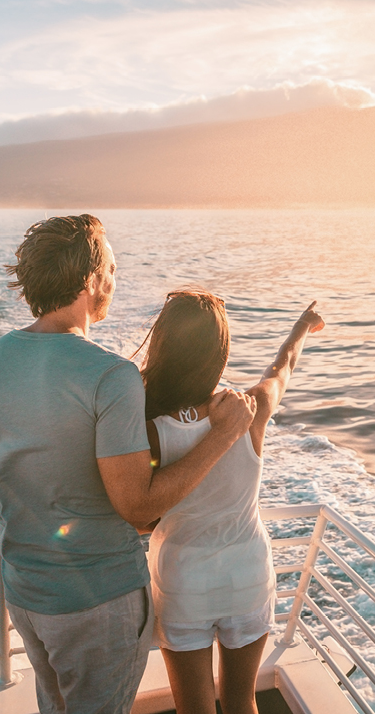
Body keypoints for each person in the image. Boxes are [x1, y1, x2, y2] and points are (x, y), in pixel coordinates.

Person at [0, 215, 256, 714]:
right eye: (113, 269)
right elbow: (139, 509)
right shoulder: (110, 376)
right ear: (92, 280)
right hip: (97, 602)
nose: (115, 282)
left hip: (26, 592)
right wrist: (224, 434)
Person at [138, 290, 325, 714]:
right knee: (242, 702)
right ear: (219, 354)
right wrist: (300, 329)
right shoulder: (249, 408)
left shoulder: (150, 426)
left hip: (184, 582)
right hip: (247, 575)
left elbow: (142, 511)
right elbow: (283, 367)